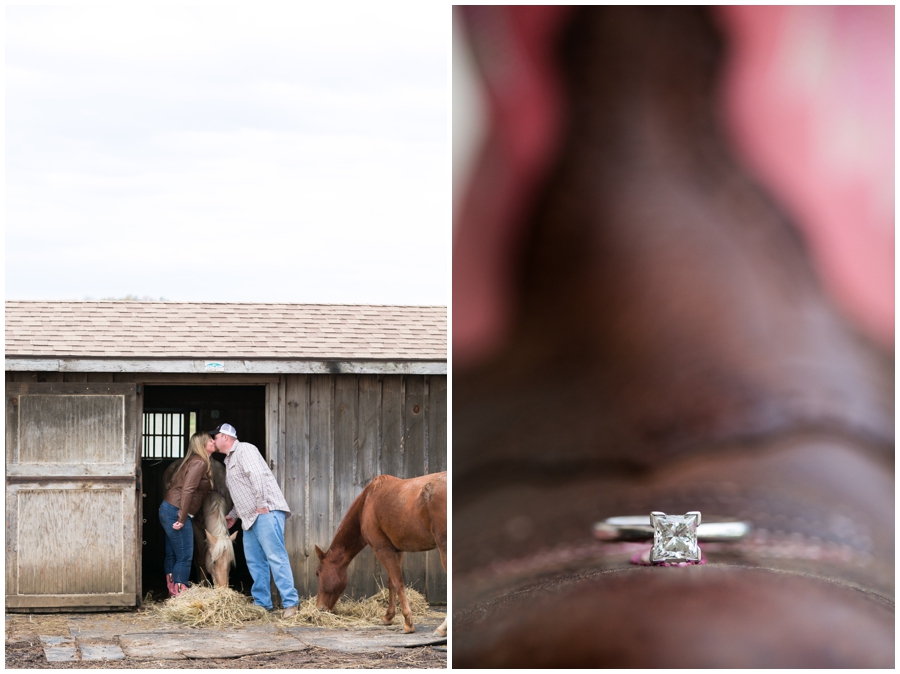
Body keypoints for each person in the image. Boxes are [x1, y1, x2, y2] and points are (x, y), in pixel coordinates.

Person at [211, 423, 300, 617]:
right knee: (255, 562)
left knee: (276, 557)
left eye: (215, 437)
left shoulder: (245, 450)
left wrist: (261, 503)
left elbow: (257, 476)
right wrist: (233, 515)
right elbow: (243, 491)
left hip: (264, 513)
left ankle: (290, 604)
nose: (213, 441)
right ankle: (262, 604)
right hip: (249, 518)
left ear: (225, 437)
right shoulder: (229, 460)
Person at [160, 432, 215, 597]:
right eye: (211, 440)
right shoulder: (199, 463)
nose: (214, 441)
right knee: (184, 556)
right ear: (203, 444)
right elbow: (188, 490)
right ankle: (181, 594)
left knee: (172, 553)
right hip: (176, 511)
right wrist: (182, 517)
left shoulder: (195, 460)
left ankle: (172, 591)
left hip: (169, 508)